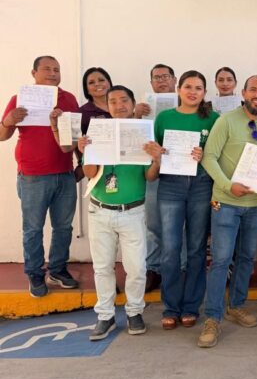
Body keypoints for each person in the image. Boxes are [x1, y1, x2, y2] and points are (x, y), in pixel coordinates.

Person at [59, 85, 160, 340]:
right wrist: (86, 151)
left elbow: (150, 177)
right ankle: (105, 315)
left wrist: (157, 159)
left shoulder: (142, 133)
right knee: (103, 267)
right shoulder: (98, 132)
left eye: (124, 100)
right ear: (107, 106)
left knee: (136, 268)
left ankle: (135, 312)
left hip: (133, 212)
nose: (119, 105)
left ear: (133, 103)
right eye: (112, 101)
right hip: (100, 211)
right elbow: (90, 173)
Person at [198, 74, 257, 348]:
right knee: (221, 260)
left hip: (255, 204)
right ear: (243, 93)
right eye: (253, 89)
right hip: (225, 203)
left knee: (245, 258)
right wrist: (227, 185)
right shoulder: (226, 121)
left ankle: (237, 305)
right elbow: (209, 157)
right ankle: (212, 318)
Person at [1, 55, 79, 297]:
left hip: (65, 173)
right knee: (33, 229)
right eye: (47, 69)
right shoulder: (19, 98)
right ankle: (35, 273)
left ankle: (57, 269)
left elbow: (76, 135)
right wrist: (8, 121)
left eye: (57, 69)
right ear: (33, 73)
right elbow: (2, 135)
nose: (53, 73)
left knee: (63, 227)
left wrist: (81, 165)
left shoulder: (69, 98)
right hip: (32, 176)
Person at [152, 71, 219, 331]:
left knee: (196, 248)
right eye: (188, 87)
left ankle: (191, 306)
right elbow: (156, 151)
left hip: (201, 185)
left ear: (204, 93)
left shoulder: (213, 119)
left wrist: (205, 154)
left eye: (198, 88)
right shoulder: (164, 118)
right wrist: (156, 153)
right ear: (178, 89)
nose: (193, 92)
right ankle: (171, 307)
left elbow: (218, 153)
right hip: (170, 185)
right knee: (170, 248)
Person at [137, 63, 178, 293]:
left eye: (166, 76)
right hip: (152, 170)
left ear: (175, 80)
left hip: (178, 171)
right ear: (151, 83)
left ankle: (180, 268)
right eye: (157, 77)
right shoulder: (143, 108)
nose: (162, 81)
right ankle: (153, 268)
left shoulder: (187, 103)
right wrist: (136, 116)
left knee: (179, 224)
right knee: (152, 222)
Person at [76, 67, 113, 182]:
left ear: (109, 83)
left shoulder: (121, 107)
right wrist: (81, 162)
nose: (97, 84)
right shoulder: (82, 113)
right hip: (96, 169)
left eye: (101, 80)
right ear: (86, 89)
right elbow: (78, 143)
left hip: (123, 166)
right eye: (91, 82)